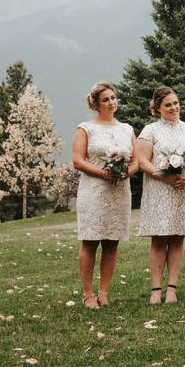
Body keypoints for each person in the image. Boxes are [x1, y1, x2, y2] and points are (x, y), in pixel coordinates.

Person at [72, 82, 138, 309]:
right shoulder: (86, 128)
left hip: (119, 190)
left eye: (113, 98)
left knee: (112, 242)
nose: (112, 102)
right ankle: (88, 293)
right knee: (90, 241)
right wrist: (103, 173)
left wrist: (125, 173)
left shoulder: (127, 129)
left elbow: (136, 161)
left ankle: (104, 291)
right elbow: (78, 160)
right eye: (106, 100)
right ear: (96, 104)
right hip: (93, 190)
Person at [136, 86, 185, 305]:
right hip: (159, 189)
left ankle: (172, 289)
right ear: (157, 108)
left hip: (183, 188)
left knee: (177, 238)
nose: (174, 108)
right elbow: (143, 161)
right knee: (158, 238)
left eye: (175, 103)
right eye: (168, 105)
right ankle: (156, 289)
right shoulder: (150, 131)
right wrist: (162, 175)